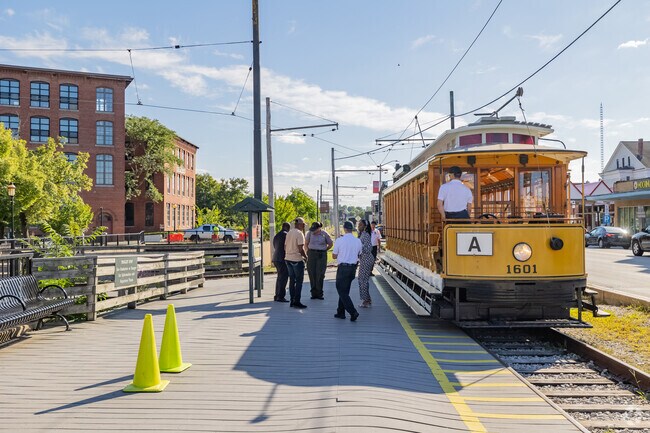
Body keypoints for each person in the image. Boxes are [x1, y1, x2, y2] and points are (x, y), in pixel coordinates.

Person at [332, 221, 362, 321]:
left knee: (341, 290)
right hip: (353, 268)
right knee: (345, 291)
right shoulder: (358, 241)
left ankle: (353, 312)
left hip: (343, 268)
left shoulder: (340, 240)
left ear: (344, 229)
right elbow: (359, 253)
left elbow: (334, 255)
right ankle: (340, 312)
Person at [305, 221, 333, 300]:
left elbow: (330, 244)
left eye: (315, 229)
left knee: (320, 274)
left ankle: (319, 293)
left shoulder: (324, 234)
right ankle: (313, 293)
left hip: (321, 255)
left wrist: (324, 250)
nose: (313, 231)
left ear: (319, 228)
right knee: (312, 273)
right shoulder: (309, 233)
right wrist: (307, 252)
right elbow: (306, 243)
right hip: (311, 254)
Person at [284, 217, 308, 308]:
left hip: (288, 258)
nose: (303, 227)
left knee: (291, 280)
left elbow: (285, 246)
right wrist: (306, 257)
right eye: (303, 225)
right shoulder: (299, 234)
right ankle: (297, 301)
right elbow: (301, 249)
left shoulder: (289, 232)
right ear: (299, 224)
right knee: (299, 281)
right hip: (297, 259)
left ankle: (292, 300)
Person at [357, 220, 374, 308]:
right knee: (362, 279)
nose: (358, 226)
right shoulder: (361, 234)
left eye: (360, 225)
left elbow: (368, 249)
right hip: (364, 259)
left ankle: (366, 300)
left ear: (365, 226)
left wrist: (359, 246)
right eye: (358, 224)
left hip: (366, 259)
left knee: (362, 280)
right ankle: (367, 298)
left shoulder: (366, 235)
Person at [272, 222, 291, 302]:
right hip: (282, 258)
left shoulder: (277, 235)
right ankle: (280, 296)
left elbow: (274, 245)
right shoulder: (286, 235)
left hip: (276, 258)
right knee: (283, 277)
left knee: (279, 277)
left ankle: (277, 295)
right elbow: (287, 247)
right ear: (288, 228)